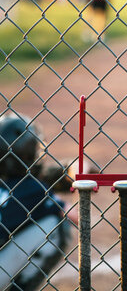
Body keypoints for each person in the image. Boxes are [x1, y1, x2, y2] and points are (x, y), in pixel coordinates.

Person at [0, 113, 72, 290]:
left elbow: (43, 178)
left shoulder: (13, 186)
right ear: (25, 155)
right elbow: (72, 213)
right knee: (58, 224)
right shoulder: (33, 189)